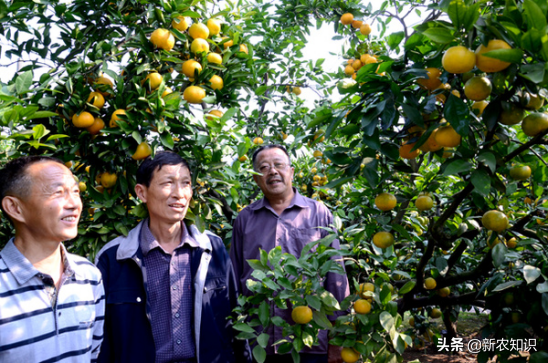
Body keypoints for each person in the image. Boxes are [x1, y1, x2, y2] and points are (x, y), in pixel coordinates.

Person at [95, 151, 251, 363]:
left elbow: (234, 319)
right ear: (142, 193)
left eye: (186, 183)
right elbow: (102, 338)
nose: (179, 193)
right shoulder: (114, 258)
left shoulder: (212, 248)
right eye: (168, 183)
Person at [230, 144, 350, 363]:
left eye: (278, 165)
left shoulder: (317, 212)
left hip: (310, 338)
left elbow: (336, 275)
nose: (272, 171)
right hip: (260, 340)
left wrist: (338, 336)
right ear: (256, 178)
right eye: (264, 167)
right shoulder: (244, 219)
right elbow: (235, 277)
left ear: (291, 172)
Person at [0, 156, 105, 361]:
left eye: (75, 192)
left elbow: (92, 354)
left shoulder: (89, 276)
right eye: (58, 192)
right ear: (14, 208)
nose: (74, 203)